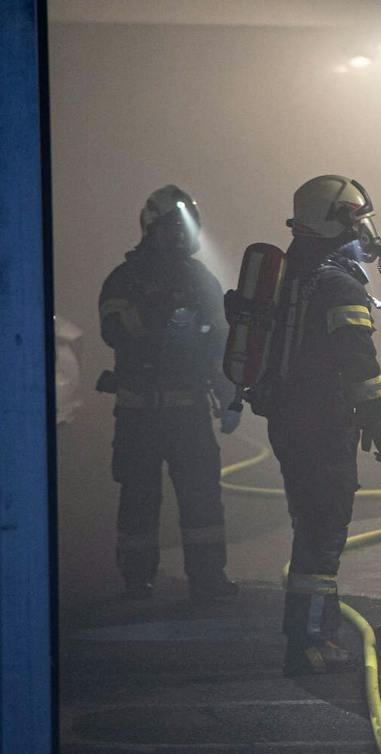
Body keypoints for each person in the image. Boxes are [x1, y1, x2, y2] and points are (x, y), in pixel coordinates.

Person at [237, 175, 381, 676]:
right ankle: (311, 640)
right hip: (322, 424)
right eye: (355, 221)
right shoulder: (337, 283)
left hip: (288, 419)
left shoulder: (292, 273)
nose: (363, 233)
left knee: (309, 525)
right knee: (323, 531)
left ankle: (310, 632)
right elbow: (358, 360)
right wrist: (378, 420)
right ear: (333, 221)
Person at [97, 185, 238, 601]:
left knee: (203, 500)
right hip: (139, 412)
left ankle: (209, 579)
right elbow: (114, 331)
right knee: (139, 499)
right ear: (150, 228)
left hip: (189, 411)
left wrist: (229, 396)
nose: (178, 236)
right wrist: (153, 311)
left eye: (184, 228)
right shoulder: (125, 279)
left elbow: (220, 345)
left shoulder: (201, 278)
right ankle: (137, 579)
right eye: (170, 228)